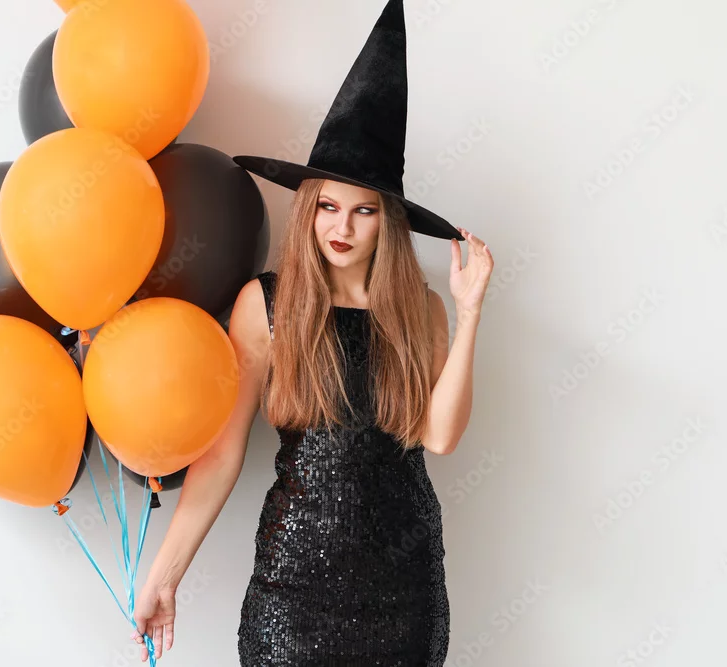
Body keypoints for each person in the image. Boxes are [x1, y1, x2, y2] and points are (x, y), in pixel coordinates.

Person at [132, 1, 493, 663]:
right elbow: (221, 455)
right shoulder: (267, 305)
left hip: (404, 596)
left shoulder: (423, 311)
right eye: (327, 205)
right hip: (293, 593)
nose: (342, 227)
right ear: (307, 208)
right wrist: (165, 574)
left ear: (388, 221)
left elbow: (440, 437)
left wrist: (468, 313)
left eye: (364, 211)